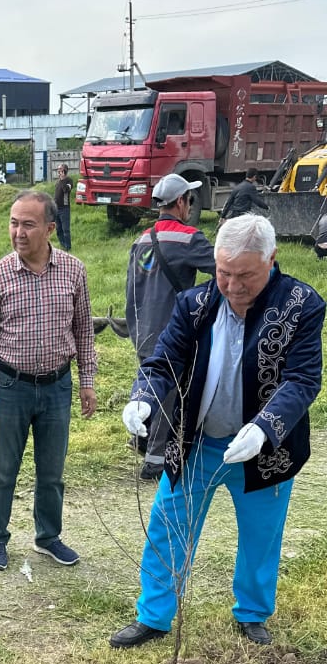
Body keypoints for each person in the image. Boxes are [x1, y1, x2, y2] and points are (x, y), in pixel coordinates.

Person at [110, 215, 325, 650]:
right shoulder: (195, 304)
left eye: (244, 274)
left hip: (264, 451)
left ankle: (252, 613)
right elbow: (161, 360)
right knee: (168, 527)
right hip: (197, 443)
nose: (232, 284)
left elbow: (303, 379)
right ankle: (154, 616)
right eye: (224, 272)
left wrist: (265, 428)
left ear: (271, 260)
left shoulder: (302, 305)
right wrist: (144, 398)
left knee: (261, 537)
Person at [0, 191, 97, 571]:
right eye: (14, 223)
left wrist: (87, 381)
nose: (18, 232)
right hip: (11, 386)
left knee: (52, 472)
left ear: (50, 228)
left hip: (58, 387)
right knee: (3, 472)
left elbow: (83, 332)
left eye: (28, 224)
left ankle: (48, 537)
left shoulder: (74, 271)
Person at [126, 173, 215, 479]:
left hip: (142, 328)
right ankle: (155, 459)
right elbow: (226, 272)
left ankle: (140, 438)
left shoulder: (140, 241)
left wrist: (133, 327)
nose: (190, 206)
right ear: (180, 202)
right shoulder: (190, 238)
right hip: (173, 331)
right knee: (169, 393)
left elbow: (131, 288)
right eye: (190, 200)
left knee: (149, 385)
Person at [54, 163, 73, 252]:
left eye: (60, 170)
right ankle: (63, 245)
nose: (59, 172)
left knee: (66, 229)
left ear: (64, 171)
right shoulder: (57, 182)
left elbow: (66, 190)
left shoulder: (69, 180)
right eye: (58, 170)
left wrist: (62, 179)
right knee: (58, 229)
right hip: (56, 208)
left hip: (64, 208)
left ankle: (68, 247)